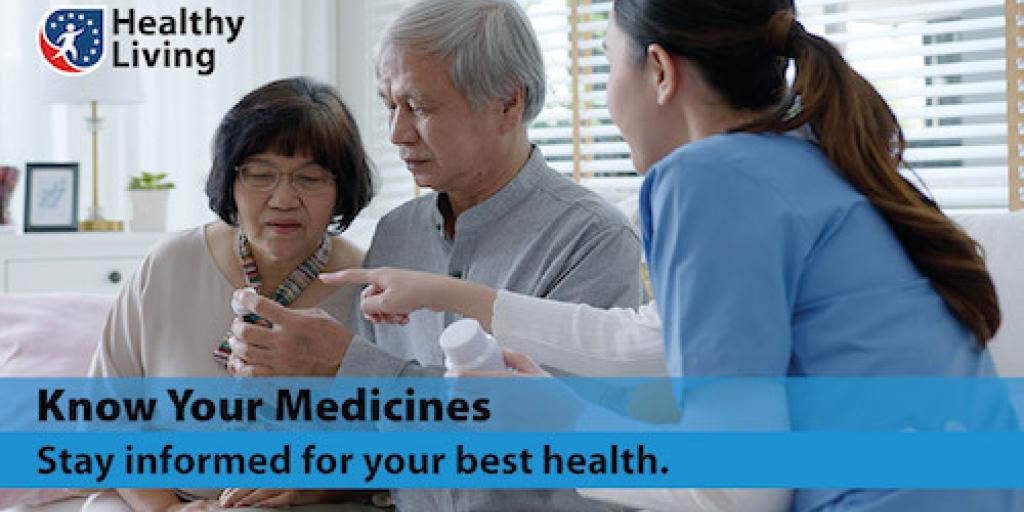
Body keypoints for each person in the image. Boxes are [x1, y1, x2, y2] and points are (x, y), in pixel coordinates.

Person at [320, 0, 1024, 510]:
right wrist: (449, 294)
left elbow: (737, 493)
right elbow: (655, 335)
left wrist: (550, 419)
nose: (605, 99)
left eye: (606, 69)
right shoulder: (808, 157)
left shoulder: (705, 179)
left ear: (659, 71)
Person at [227, 0, 644, 510]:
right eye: (389, 105)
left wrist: (348, 361)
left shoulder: (592, 240)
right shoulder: (398, 234)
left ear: (508, 101)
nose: (397, 134)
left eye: (420, 107)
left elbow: (553, 440)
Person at [88, 77, 378, 511]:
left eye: (311, 177)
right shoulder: (169, 265)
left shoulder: (370, 288)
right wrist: (168, 508)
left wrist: (315, 487)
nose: (283, 199)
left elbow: (403, 448)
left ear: (341, 188)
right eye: (260, 174)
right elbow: (104, 419)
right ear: (230, 180)